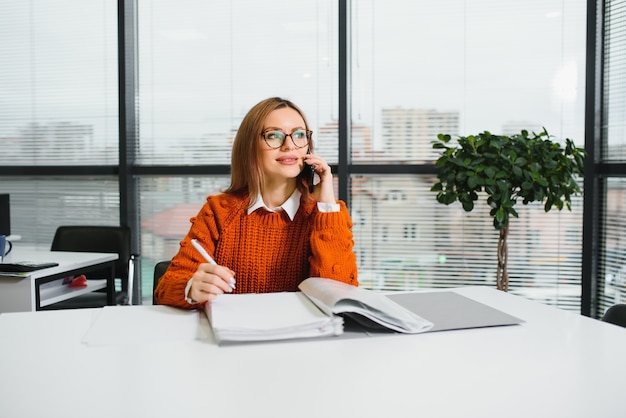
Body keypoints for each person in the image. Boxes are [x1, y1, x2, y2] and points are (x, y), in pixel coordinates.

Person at [154, 97, 358, 308]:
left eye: (299, 135)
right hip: (233, 334)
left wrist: (326, 205)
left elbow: (340, 298)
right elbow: (166, 289)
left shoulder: (326, 213)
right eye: (274, 136)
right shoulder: (220, 211)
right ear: (250, 146)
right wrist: (191, 289)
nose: (290, 146)